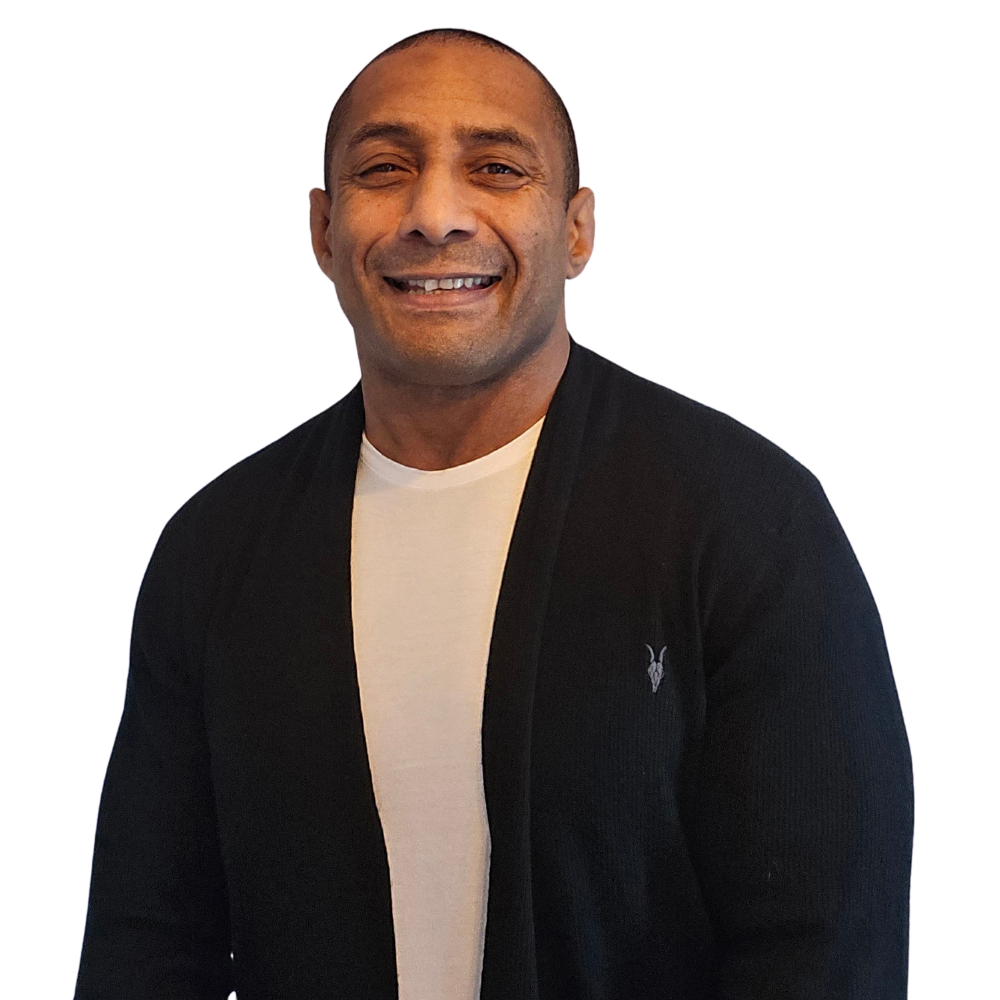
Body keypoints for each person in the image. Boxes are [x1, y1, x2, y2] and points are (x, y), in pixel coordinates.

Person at [74, 28, 913, 999]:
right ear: (323, 230)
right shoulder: (216, 548)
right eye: (384, 169)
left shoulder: (747, 522)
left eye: (497, 169)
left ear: (577, 230)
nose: (435, 215)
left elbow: (822, 952)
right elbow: (147, 943)